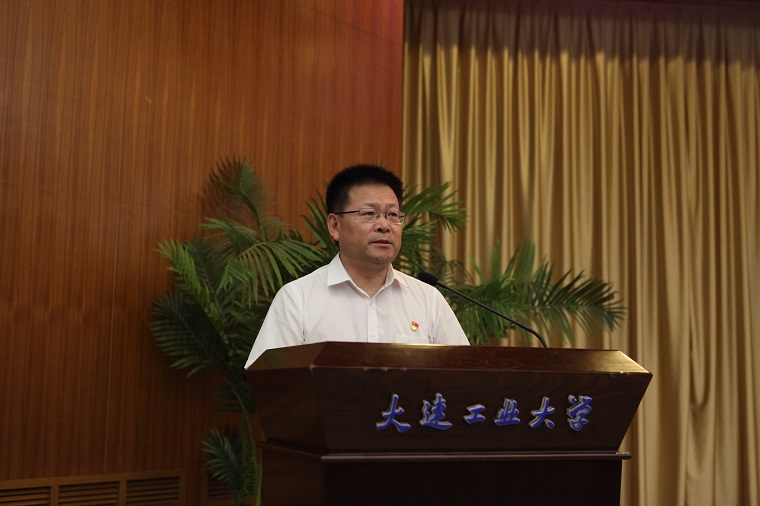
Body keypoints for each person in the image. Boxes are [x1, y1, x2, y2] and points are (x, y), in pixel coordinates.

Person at [243, 164, 469, 368]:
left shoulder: (428, 300)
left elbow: (466, 375)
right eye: (369, 213)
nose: (384, 225)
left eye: (392, 214)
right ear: (335, 226)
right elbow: (270, 384)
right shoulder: (297, 299)